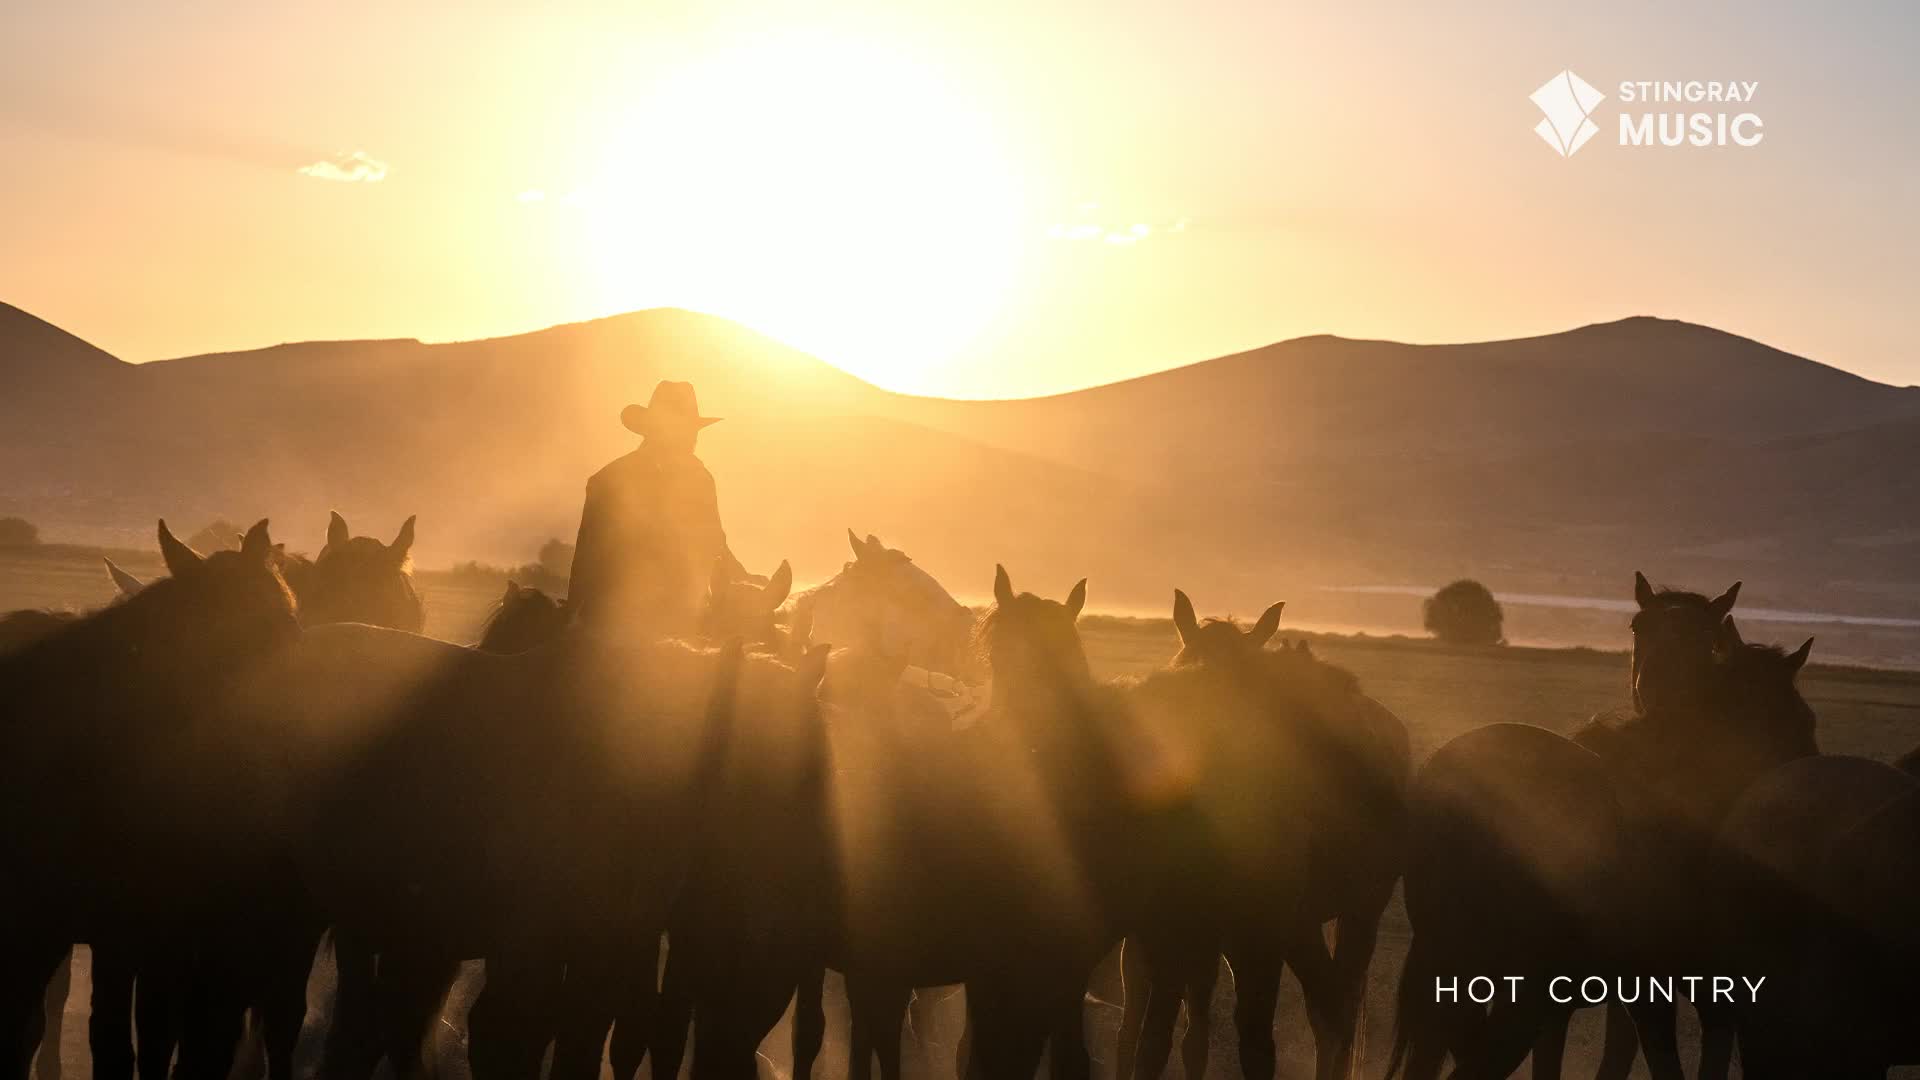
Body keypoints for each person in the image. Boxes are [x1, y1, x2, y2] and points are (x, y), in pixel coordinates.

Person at [567, 380, 749, 633]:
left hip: (685, 614)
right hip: (617, 620)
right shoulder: (610, 481)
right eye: (684, 431)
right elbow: (589, 558)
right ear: (659, 431)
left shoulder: (699, 478)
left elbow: (715, 544)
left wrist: (746, 581)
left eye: (691, 431)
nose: (691, 439)